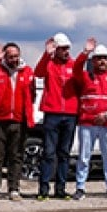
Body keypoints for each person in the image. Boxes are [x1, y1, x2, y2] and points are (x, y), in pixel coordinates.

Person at [0, 42, 37, 201]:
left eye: (16, 56)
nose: (13, 59)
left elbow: (32, 94)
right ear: (5, 57)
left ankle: (14, 189)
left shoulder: (28, 71)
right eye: (10, 56)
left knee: (16, 155)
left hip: (19, 120)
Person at [70, 39, 107, 200]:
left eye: (104, 58)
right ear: (93, 61)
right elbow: (76, 68)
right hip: (87, 123)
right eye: (98, 58)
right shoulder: (85, 77)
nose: (102, 61)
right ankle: (80, 187)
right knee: (84, 156)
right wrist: (85, 52)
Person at [34, 32, 78, 200]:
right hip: (52, 113)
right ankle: (43, 189)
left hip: (70, 114)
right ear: (56, 49)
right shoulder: (49, 64)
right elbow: (38, 73)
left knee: (64, 153)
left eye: (67, 48)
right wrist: (47, 54)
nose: (66, 51)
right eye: (63, 48)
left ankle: (60, 189)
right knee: (49, 153)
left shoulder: (74, 65)